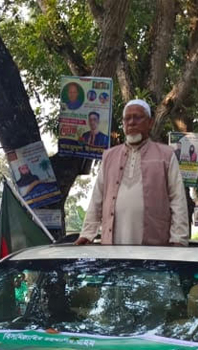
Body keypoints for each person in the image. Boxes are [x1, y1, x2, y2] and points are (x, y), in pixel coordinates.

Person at [77, 99, 189, 246]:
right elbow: (97, 198)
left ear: (150, 123)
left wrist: (178, 239)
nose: (131, 122)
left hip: (155, 248)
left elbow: (177, 199)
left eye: (137, 117)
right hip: (112, 247)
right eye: (127, 119)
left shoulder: (166, 155)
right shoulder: (109, 156)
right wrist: (87, 233)